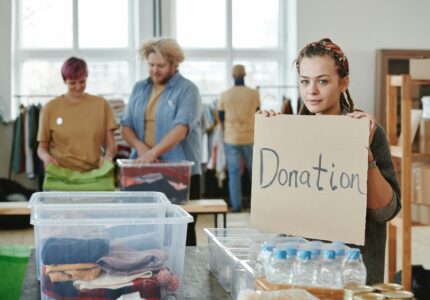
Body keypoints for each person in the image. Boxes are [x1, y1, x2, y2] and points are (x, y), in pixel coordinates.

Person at [260, 38, 401, 284]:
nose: (311, 91)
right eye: (305, 81)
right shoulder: (289, 133)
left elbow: (386, 212)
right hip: (299, 270)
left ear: (343, 83)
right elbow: (274, 208)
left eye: (322, 81)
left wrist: (364, 154)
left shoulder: (367, 131)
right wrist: (267, 137)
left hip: (353, 275)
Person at [120, 38, 202, 246]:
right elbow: (126, 126)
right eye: (151, 65)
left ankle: (186, 277)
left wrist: (152, 154)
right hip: (142, 170)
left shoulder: (188, 90)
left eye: (161, 66)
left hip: (180, 175)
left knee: (179, 234)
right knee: (143, 232)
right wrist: (142, 151)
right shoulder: (139, 88)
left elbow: (181, 129)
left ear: (175, 65)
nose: (155, 70)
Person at [37, 57, 117, 190]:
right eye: (72, 83)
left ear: (87, 77)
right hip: (60, 176)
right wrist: (46, 158)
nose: (78, 87)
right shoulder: (50, 108)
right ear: (64, 81)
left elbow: (111, 144)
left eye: (82, 81)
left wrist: (108, 157)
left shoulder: (101, 105)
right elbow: (42, 147)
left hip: (94, 175)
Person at [218, 65, 260, 212]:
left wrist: (225, 134)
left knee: (234, 174)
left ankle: (236, 206)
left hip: (231, 138)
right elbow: (258, 114)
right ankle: (257, 205)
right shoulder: (254, 94)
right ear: (245, 74)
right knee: (255, 174)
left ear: (232, 75)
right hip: (250, 137)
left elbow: (221, 119)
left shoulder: (225, 95)